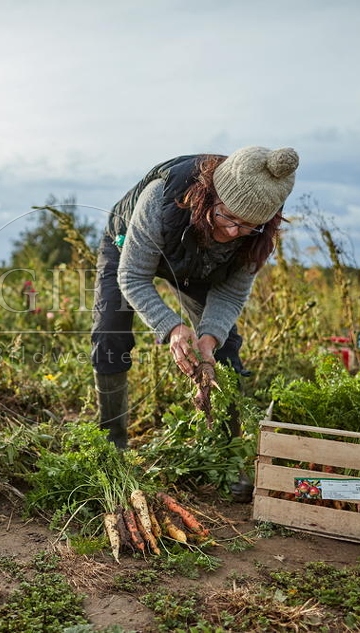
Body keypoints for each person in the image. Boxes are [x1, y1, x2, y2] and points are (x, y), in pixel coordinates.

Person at [90, 146, 299, 449]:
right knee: (110, 334)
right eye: (226, 216)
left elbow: (230, 295)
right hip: (129, 247)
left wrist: (209, 338)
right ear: (210, 196)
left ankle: (229, 451)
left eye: (246, 225)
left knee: (224, 349)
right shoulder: (160, 199)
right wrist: (172, 327)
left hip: (196, 264)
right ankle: (112, 444)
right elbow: (132, 276)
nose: (231, 231)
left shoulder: (257, 239)